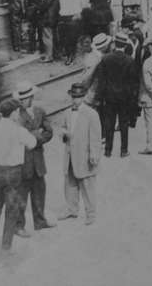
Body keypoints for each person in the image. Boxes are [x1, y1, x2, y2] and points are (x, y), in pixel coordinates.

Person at [0, 98, 36, 252]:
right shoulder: (19, 130)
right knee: (11, 208)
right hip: (13, 172)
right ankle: (6, 244)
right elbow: (32, 143)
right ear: (14, 113)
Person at [13, 82, 55, 235]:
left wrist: (35, 138)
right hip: (23, 162)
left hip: (38, 160)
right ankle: (18, 226)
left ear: (32, 97)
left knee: (39, 192)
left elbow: (49, 132)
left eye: (27, 97)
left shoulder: (40, 112)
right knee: (21, 195)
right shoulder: (16, 116)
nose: (25, 101)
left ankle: (40, 221)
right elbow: (17, 137)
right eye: (22, 98)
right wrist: (36, 134)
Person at [90, 34, 140, 157]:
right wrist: (133, 98)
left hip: (109, 97)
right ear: (125, 45)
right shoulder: (129, 60)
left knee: (109, 123)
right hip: (124, 98)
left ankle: (108, 150)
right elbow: (134, 81)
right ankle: (124, 150)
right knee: (123, 123)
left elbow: (102, 81)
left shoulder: (106, 59)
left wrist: (98, 97)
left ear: (114, 44)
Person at [60, 82, 102, 225]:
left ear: (83, 97)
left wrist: (94, 155)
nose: (75, 100)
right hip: (70, 155)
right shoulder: (66, 112)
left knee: (87, 185)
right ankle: (72, 209)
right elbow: (63, 129)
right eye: (73, 97)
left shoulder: (92, 114)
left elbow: (96, 137)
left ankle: (91, 213)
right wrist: (64, 134)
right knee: (70, 183)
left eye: (78, 97)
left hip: (85, 156)